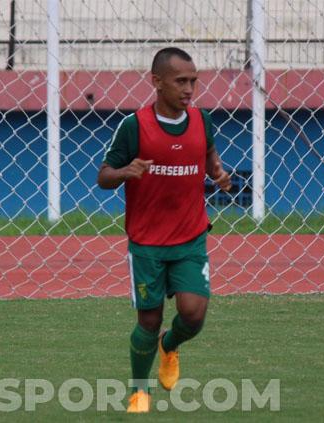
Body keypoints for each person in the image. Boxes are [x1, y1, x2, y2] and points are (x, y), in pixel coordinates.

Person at [97, 47, 232, 413]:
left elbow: (207, 153)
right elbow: (103, 176)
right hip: (147, 243)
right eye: (180, 81)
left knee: (193, 314)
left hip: (190, 237)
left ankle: (169, 346)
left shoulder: (202, 120)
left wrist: (217, 172)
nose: (189, 89)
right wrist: (125, 172)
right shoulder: (134, 126)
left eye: (193, 81)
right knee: (149, 319)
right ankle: (139, 392)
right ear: (157, 82)